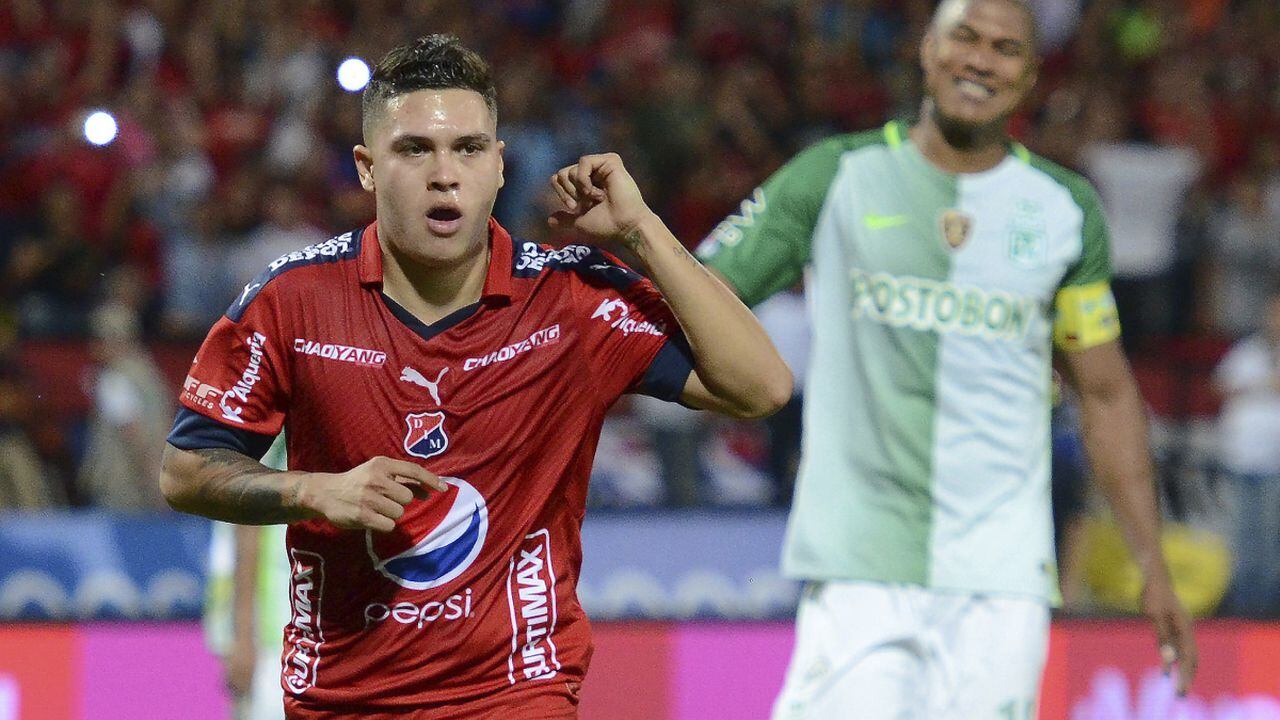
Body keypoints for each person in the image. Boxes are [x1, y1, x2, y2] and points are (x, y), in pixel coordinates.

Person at [160, 35, 790, 719]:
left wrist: (640, 230)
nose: (444, 174)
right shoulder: (292, 300)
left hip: (517, 696)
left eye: (467, 148)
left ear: (498, 165)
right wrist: (314, 491)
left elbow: (761, 387)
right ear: (368, 169)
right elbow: (184, 471)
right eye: (414, 150)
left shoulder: (570, 299)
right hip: (343, 701)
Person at [697, 1, 1197, 716]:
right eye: (964, 37)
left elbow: (1108, 395)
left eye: (1004, 48)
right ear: (927, 49)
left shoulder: (1063, 209)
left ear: (1029, 77)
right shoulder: (834, 175)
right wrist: (637, 235)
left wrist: (1153, 567)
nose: (980, 59)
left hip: (1000, 580)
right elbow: (702, 292)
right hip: (858, 566)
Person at [1212, 291, 1280, 617]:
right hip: (1241, 458)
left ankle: (1268, 608)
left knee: (1270, 536)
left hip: (1274, 462)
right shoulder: (1248, 351)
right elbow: (1220, 385)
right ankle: (1243, 607)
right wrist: (1264, 385)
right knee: (1242, 535)